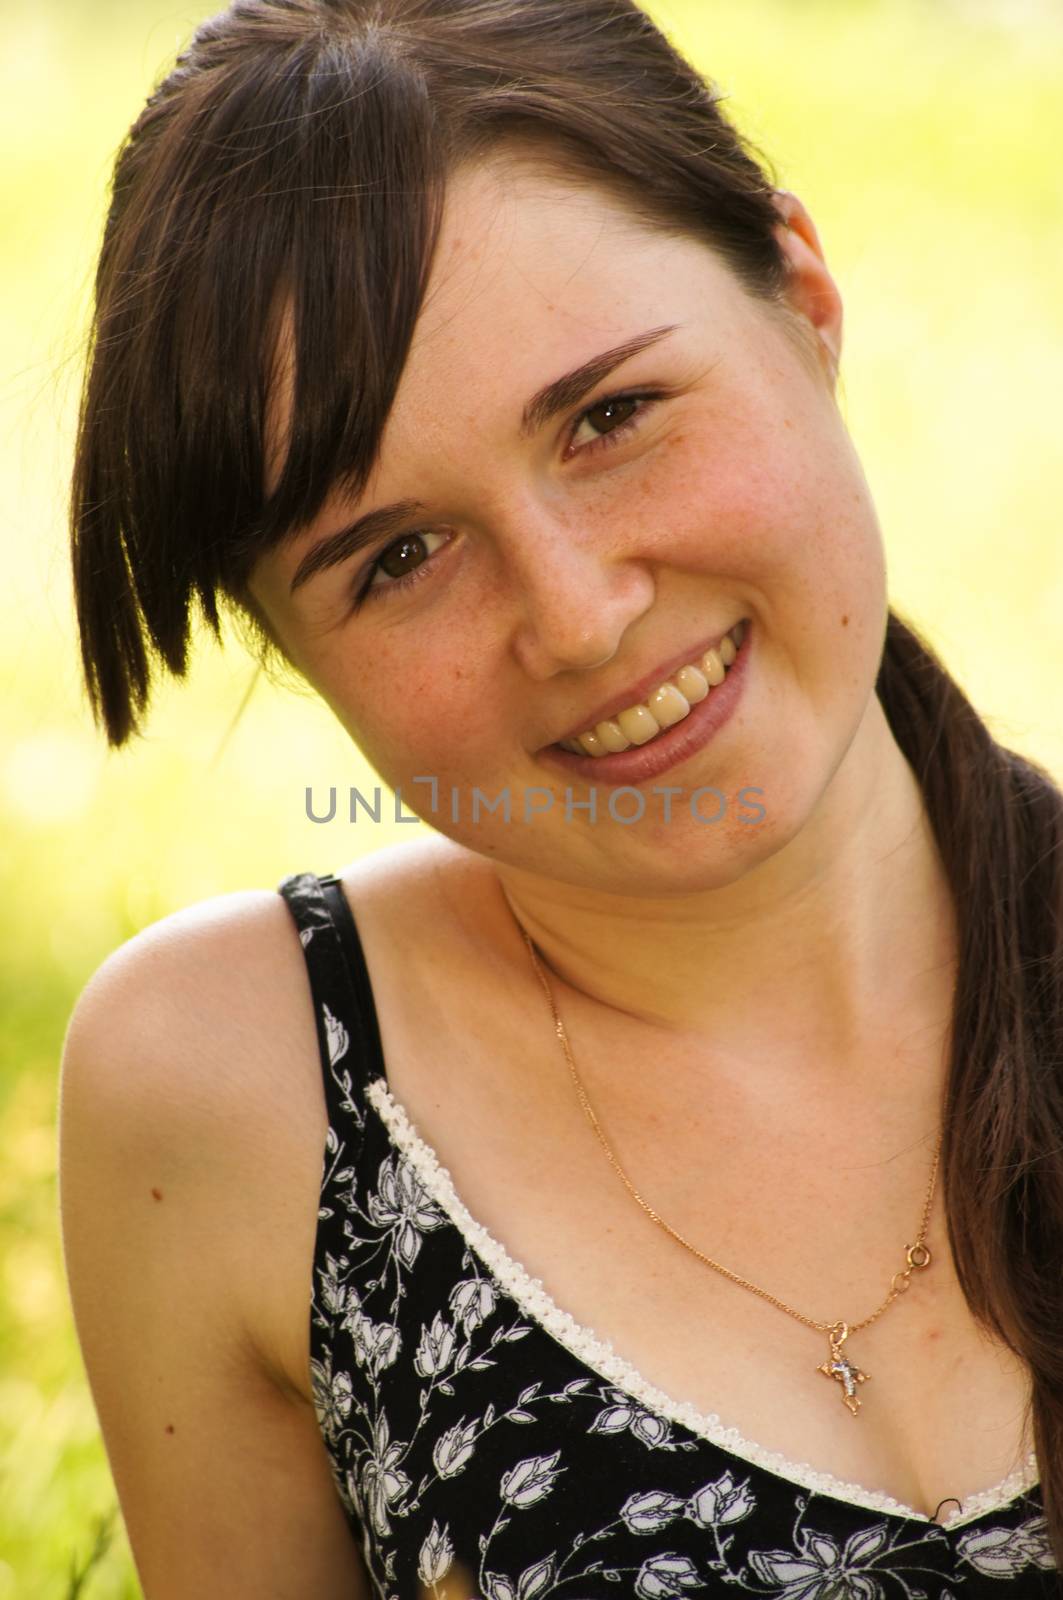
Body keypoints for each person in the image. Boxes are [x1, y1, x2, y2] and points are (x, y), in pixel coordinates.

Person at [57, 1, 1063, 1596]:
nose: (581, 616)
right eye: (397, 557)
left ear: (803, 299)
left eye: (610, 417)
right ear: (293, 655)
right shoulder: (242, 1097)